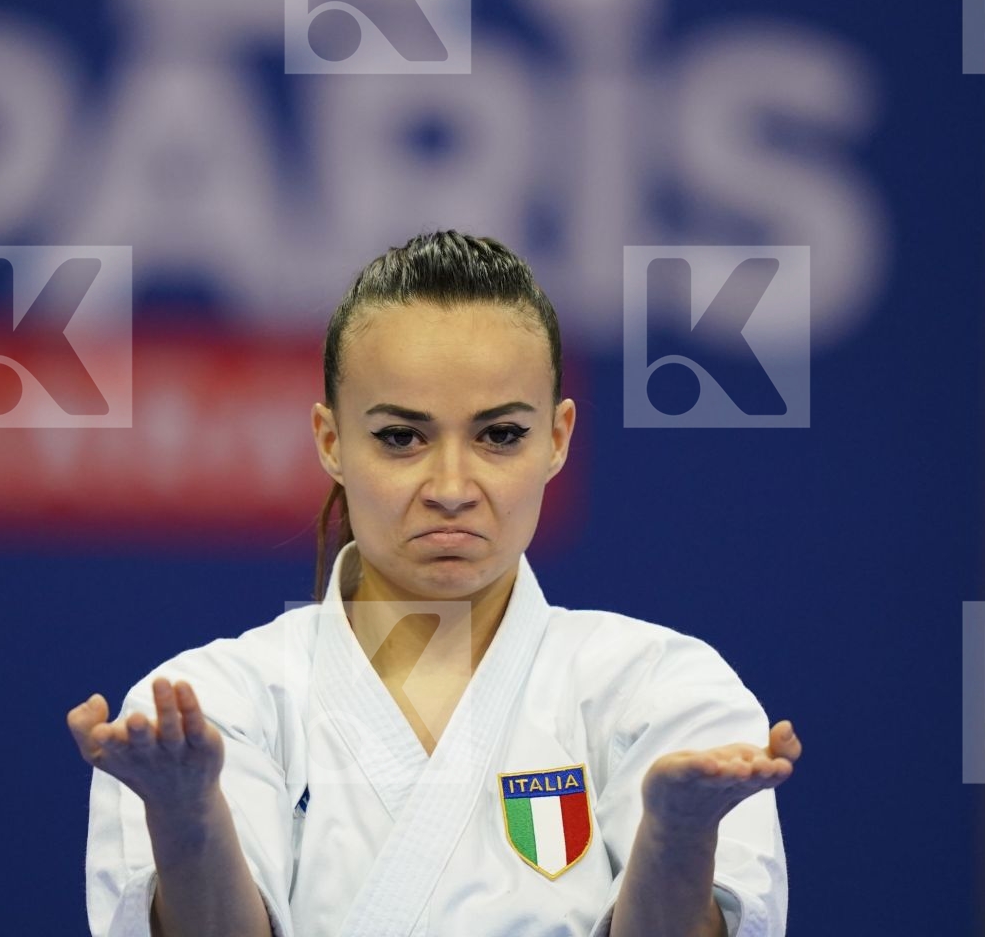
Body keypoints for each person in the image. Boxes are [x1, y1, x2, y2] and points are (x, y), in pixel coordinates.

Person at [69, 230, 801, 937]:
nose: (451, 486)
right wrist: (187, 811)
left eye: (501, 434)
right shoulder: (212, 705)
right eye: (400, 437)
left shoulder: (661, 692)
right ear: (331, 441)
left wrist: (677, 832)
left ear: (557, 437)